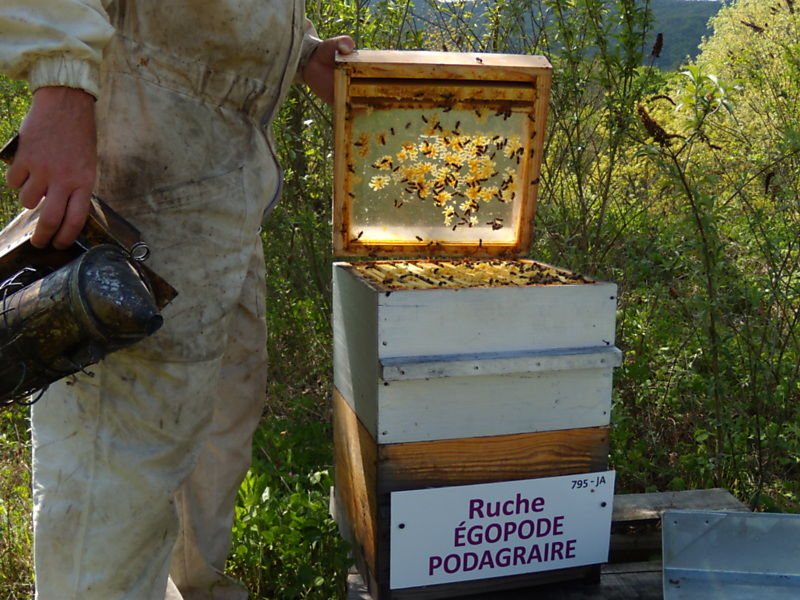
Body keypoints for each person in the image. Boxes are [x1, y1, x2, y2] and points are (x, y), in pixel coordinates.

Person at [0, 2, 354, 599]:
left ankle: (194, 589)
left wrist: (298, 50)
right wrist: (61, 82)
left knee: (216, 429)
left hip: (226, 196)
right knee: (115, 460)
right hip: (136, 181)